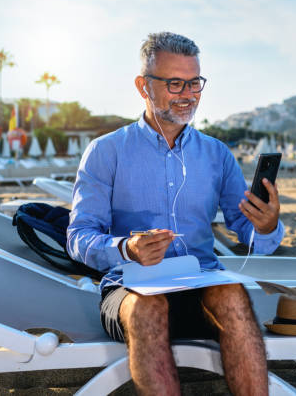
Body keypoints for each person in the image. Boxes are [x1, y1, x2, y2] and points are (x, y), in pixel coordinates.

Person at [67, 32, 283, 395]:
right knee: (147, 306)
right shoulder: (105, 152)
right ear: (143, 86)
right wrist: (126, 249)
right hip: (130, 288)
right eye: (175, 83)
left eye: (195, 82)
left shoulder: (217, 155)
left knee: (232, 293)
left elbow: (250, 236)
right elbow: (78, 236)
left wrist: (266, 225)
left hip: (202, 285)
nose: (188, 94)